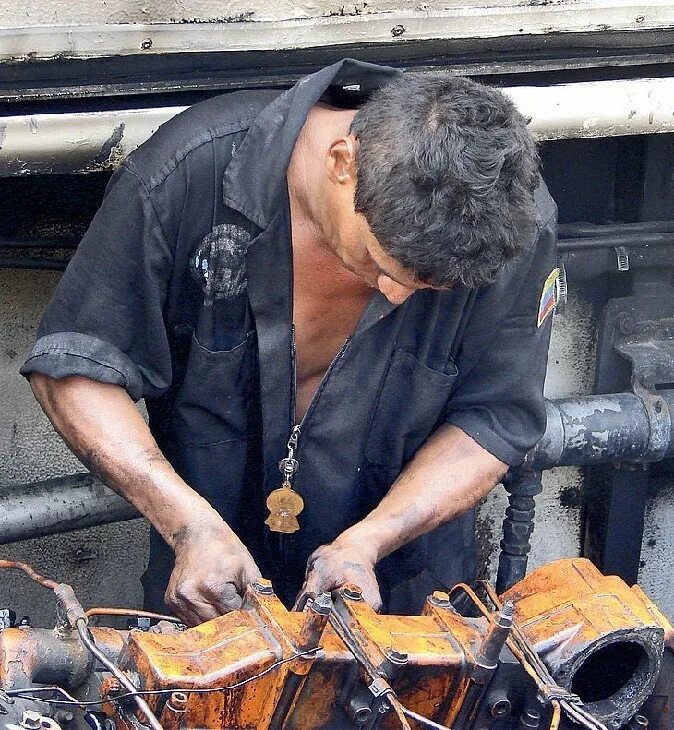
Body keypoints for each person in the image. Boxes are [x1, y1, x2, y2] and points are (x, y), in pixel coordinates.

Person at [21, 59, 558, 626]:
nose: (398, 297)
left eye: (426, 288)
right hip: (208, 594)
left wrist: (369, 543)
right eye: (381, 265)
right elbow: (76, 371)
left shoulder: (513, 218)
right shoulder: (187, 172)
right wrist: (189, 524)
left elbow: (493, 417)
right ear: (343, 163)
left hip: (407, 593)